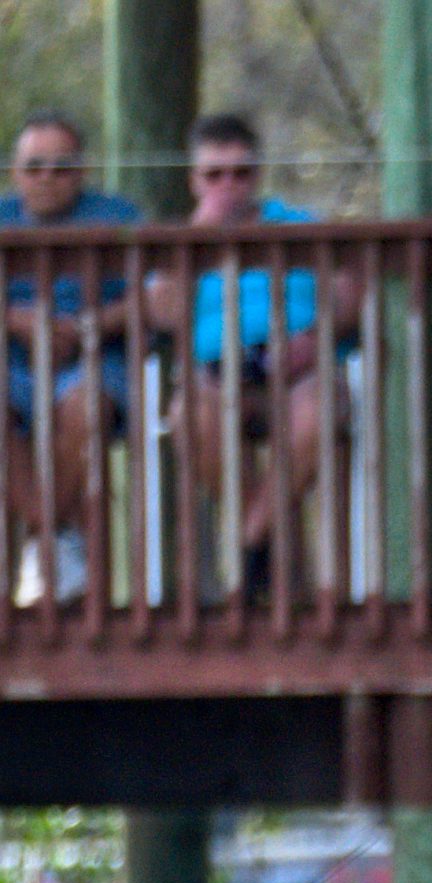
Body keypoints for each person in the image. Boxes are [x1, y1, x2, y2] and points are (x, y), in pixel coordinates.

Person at [139, 115, 355, 593]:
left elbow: (348, 298)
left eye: (241, 173)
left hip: (298, 373)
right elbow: (163, 315)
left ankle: (251, 535)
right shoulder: (179, 242)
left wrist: (313, 339)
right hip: (214, 378)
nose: (228, 186)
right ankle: (268, 547)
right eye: (214, 175)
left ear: (257, 176)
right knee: (190, 414)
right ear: (194, 181)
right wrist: (198, 239)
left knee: (320, 409)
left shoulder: (300, 226)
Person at [0, 114, 140, 604]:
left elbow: (157, 296)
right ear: (15, 172)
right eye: (34, 167)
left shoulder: (120, 218)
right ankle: (57, 537)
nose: (46, 178)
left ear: (82, 172)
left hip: (96, 362)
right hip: (12, 367)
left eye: (60, 168)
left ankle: (44, 541)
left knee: (85, 409)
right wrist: (17, 321)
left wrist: (90, 327)